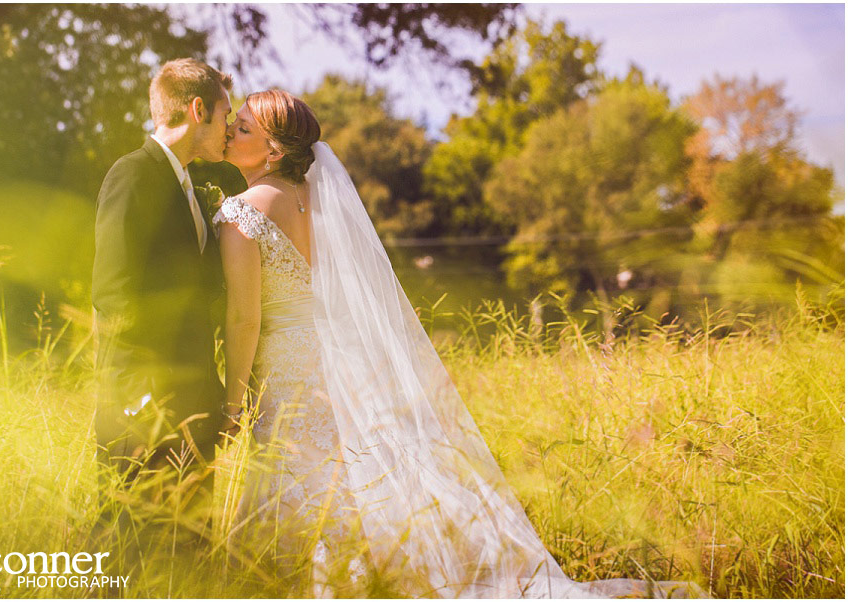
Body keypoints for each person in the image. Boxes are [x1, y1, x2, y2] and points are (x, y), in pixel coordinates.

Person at [214, 89, 705, 598]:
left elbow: (245, 318)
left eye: (244, 128)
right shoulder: (319, 203)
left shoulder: (243, 214)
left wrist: (232, 404)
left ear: (273, 150)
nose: (232, 132)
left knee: (307, 483)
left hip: (288, 369)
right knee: (347, 481)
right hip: (338, 363)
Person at [91, 58, 232, 548]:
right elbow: (112, 292)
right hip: (142, 414)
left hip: (192, 414)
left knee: (183, 559)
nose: (230, 129)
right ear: (198, 110)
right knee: (126, 554)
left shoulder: (189, 187)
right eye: (226, 114)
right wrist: (140, 397)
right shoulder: (134, 175)